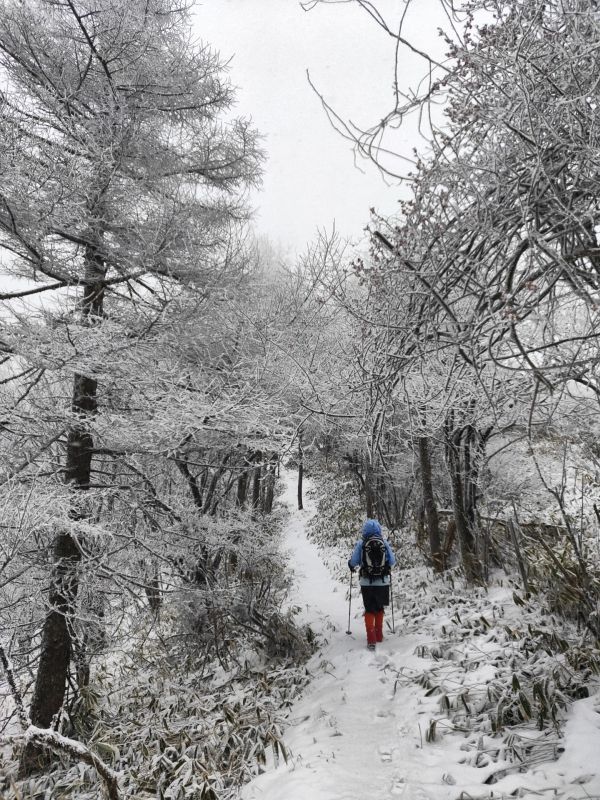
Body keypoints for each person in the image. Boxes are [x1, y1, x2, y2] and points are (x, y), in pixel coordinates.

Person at [348, 519, 396, 650]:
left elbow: (354, 562)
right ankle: (379, 635)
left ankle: (371, 639)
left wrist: (350, 565)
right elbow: (392, 561)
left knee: (369, 609)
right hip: (382, 582)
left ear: (365, 531)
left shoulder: (361, 543)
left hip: (366, 582)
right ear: (379, 530)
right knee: (379, 608)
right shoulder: (384, 543)